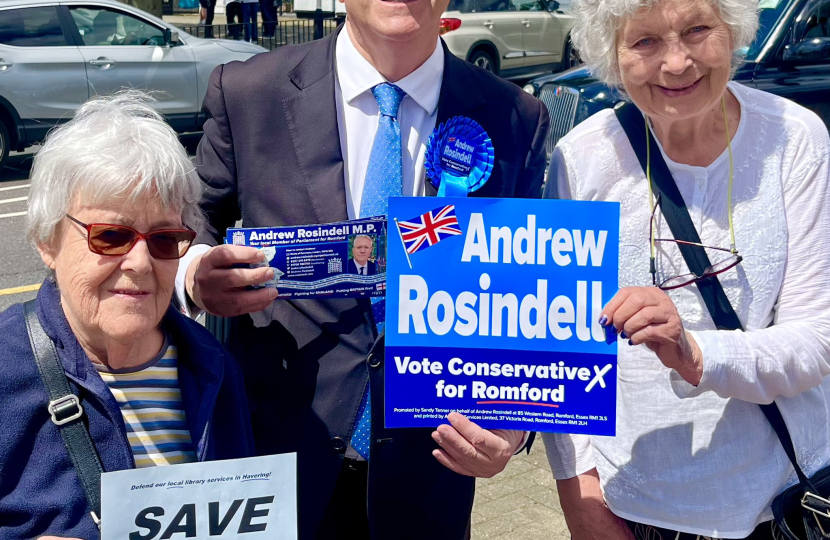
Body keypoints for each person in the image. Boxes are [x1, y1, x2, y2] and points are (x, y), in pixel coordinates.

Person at [175, 0, 550, 536]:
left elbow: (531, 293)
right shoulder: (248, 92)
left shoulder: (515, 117)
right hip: (279, 461)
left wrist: (511, 430)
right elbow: (192, 220)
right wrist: (194, 273)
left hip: (431, 480)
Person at [542, 0, 830, 537]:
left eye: (698, 30)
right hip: (638, 503)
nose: (676, 63)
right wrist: (579, 497)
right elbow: (564, 356)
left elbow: (817, 340)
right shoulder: (582, 160)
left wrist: (695, 352)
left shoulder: (796, 138)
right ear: (612, 54)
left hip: (782, 498)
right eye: (645, 41)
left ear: (733, 30)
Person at [0, 92, 255, 539]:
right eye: (112, 235)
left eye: (163, 239)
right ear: (46, 240)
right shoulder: (7, 370)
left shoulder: (212, 368)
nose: (139, 262)